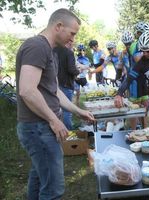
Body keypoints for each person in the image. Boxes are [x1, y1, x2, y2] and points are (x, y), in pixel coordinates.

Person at [15, 8, 95, 199]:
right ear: (59, 26)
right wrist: (53, 120)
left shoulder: (51, 52)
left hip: (41, 128)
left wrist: (78, 111)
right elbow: (27, 90)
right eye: (72, 33)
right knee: (53, 189)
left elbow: (54, 91)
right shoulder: (37, 46)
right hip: (38, 129)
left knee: (39, 178)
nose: (73, 39)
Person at [54, 41, 80, 130]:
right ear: (69, 42)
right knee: (67, 110)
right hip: (66, 84)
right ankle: (69, 131)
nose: (73, 43)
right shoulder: (69, 52)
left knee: (58, 109)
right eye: (72, 42)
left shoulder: (54, 50)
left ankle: (62, 129)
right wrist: (78, 71)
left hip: (56, 83)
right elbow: (71, 69)